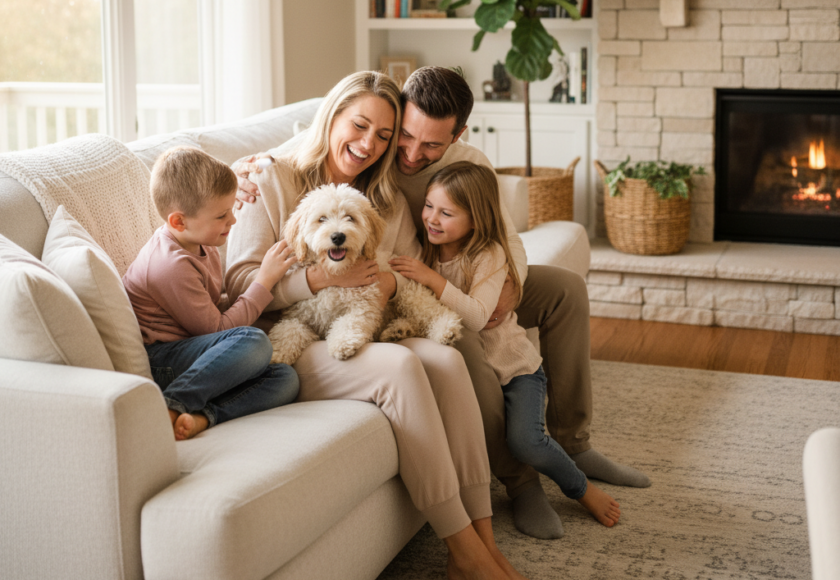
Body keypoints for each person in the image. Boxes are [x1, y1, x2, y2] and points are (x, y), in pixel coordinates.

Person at [236, 66, 650, 540]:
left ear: (457, 136)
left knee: (565, 291)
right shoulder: (366, 160)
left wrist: (509, 283)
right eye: (405, 137)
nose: (410, 154)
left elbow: (504, 235)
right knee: (463, 336)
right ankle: (520, 480)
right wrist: (243, 169)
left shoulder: (462, 162)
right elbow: (316, 148)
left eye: (430, 144)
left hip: (456, 273)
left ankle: (574, 443)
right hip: (406, 285)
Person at [225, 71, 526, 580]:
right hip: (289, 334)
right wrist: (315, 279)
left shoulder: (378, 195)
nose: (368, 144)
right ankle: (467, 554)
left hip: (364, 318)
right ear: (332, 116)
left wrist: (385, 285)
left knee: (448, 361)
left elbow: (404, 269)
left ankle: (483, 539)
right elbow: (238, 283)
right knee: (401, 368)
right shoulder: (269, 177)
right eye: (359, 125)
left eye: (384, 136)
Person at [391, 160, 622, 529]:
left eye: (446, 213)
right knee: (519, 440)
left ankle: (581, 488)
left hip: (517, 371)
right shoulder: (429, 248)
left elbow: (480, 316)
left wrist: (433, 280)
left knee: (528, 442)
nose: (432, 218)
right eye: (429, 206)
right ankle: (528, 485)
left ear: (476, 221)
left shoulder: (487, 255)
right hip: (479, 375)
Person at [123, 146, 300, 441]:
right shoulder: (170, 266)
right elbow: (219, 328)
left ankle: (202, 416)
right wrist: (264, 280)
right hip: (163, 361)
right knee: (253, 340)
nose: (232, 220)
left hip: (198, 351)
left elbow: (214, 315)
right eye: (221, 215)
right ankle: (169, 405)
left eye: (230, 210)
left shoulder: (202, 241)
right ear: (178, 221)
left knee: (285, 378)